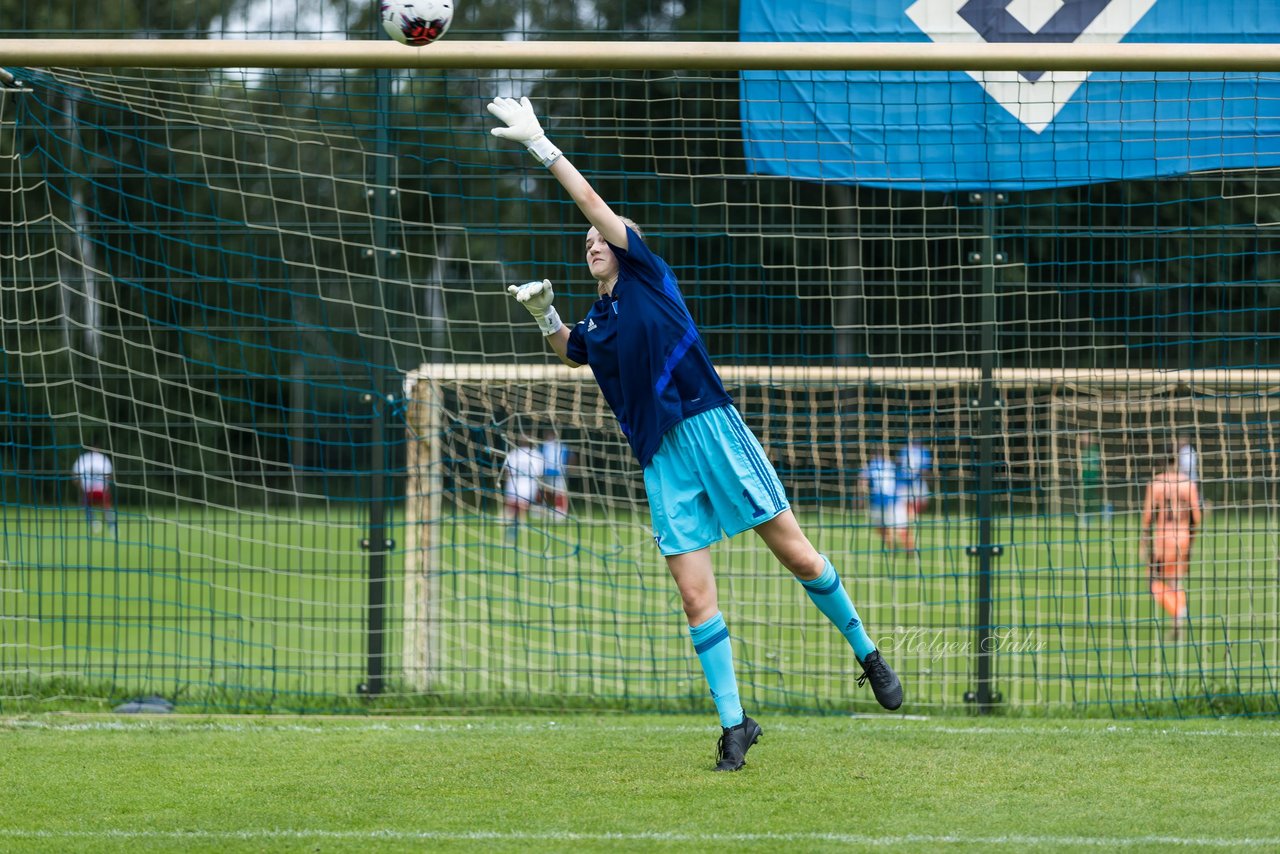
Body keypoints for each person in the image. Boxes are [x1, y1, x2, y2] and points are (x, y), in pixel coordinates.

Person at [489, 95, 903, 771]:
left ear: (624, 242)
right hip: (662, 458)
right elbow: (572, 350)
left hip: (711, 429)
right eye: (586, 243)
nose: (593, 241)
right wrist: (545, 315)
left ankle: (869, 653)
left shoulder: (647, 276)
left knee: (797, 556)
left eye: (601, 237)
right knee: (693, 594)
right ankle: (736, 726)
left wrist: (541, 145)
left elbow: (593, 201)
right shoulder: (601, 320)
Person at [1140, 452, 1202, 639]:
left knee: (1152, 581)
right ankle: (1178, 619)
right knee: (1176, 581)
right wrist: (1191, 540)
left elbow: (1148, 516)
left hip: (1163, 539)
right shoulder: (1188, 484)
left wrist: (1143, 542)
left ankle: (1177, 612)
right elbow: (1196, 517)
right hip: (1182, 537)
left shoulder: (1156, 483)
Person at [865, 448, 912, 551]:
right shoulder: (892, 465)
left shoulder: (870, 466)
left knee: (881, 527)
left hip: (877, 501)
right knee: (900, 527)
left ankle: (894, 546)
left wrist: (859, 499)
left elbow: (862, 482)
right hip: (893, 500)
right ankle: (909, 549)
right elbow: (902, 483)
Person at [500, 435, 544, 537]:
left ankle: (509, 531)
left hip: (513, 486)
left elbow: (507, 472)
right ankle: (516, 531)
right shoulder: (536, 455)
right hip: (528, 488)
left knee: (511, 510)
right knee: (521, 511)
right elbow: (539, 474)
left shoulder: (513, 454)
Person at [71, 447, 116, 532]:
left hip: (89, 491)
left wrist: (81, 488)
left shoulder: (83, 459)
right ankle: (112, 527)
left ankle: (93, 523)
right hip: (101, 490)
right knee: (106, 507)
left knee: (85, 505)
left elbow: (76, 477)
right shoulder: (103, 459)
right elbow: (109, 476)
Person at [539, 429, 574, 516]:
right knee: (545, 490)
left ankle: (562, 510)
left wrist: (568, 468)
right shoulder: (543, 446)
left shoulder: (562, 446)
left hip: (559, 473)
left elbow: (572, 457)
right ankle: (544, 508)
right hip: (546, 472)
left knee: (560, 492)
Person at [897, 438, 933, 520]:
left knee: (921, 501)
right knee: (906, 502)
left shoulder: (923, 451)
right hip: (907, 481)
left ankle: (910, 515)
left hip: (917, 480)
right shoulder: (906, 450)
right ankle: (909, 517)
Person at [1077, 431, 1103, 526]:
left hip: (1093, 477)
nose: (1084, 439)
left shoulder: (1094, 450)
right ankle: (1086, 517)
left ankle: (1105, 510)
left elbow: (1097, 464)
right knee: (1085, 497)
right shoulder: (1082, 450)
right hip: (1085, 477)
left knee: (1093, 497)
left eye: (1086, 437)